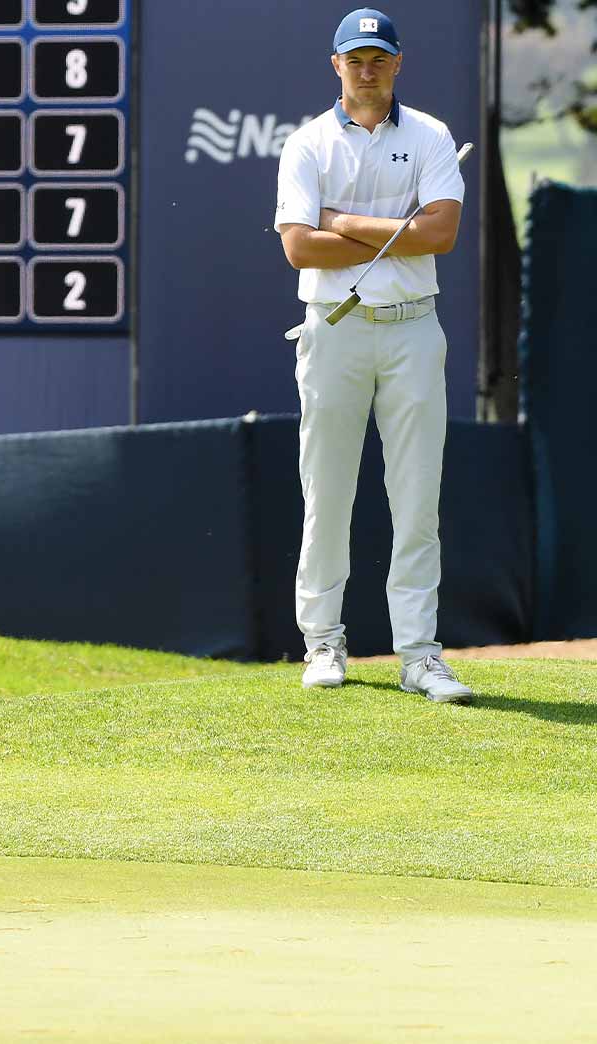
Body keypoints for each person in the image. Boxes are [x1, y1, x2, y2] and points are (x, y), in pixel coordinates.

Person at [273, 8, 474, 703]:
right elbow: (299, 247)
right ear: (336, 65)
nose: (367, 69)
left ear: (397, 63)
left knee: (416, 495)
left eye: (379, 58)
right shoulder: (306, 144)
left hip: (414, 328)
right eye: (355, 59)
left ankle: (419, 653)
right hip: (334, 328)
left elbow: (441, 233)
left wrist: (342, 221)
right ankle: (323, 642)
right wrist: (398, 229)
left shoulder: (430, 135)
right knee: (327, 493)